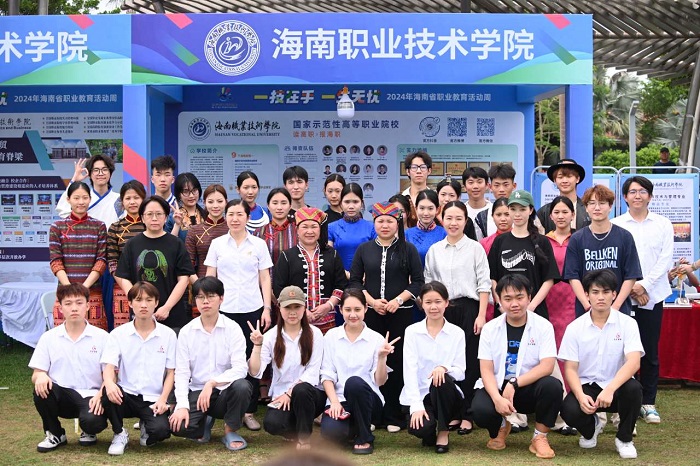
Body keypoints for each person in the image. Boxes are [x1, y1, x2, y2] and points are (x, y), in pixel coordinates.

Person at [348, 201, 424, 432]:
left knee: (396, 361)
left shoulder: (408, 249)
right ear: (374, 223)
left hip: (400, 314)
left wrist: (397, 301)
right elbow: (354, 281)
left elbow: (418, 282)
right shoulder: (364, 249)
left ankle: (393, 415)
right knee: (372, 361)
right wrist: (371, 302)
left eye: (389, 221)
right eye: (380, 221)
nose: (384, 225)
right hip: (372, 315)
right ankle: (373, 413)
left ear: (397, 223)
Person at [472, 275, 562, 459]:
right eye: (508, 298)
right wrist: (497, 398)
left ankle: (539, 437)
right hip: (498, 386)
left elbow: (547, 366)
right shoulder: (490, 329)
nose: (514, 304)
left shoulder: (543, 326)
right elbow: (486, 370)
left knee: (553, 386)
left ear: (529, 297)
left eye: (519, 297)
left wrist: (514, 383)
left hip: (527, 386)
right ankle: (501, 426)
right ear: (499, 300)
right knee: (480, 410)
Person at [559, 269, 644, 459]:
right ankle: (591, 429)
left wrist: (610, 389)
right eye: (595, 292)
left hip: (617, 386)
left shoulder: (628, 323)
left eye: (606, 292)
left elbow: (634, 362)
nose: (600, 297)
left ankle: (624, 439)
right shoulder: (575, 328)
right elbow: (570, 368)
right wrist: (580, 396)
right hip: (588, 386)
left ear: (614, 294)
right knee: (568, 410)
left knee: (634, 389)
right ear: (587, 295)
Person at [205, 199, 273, 430]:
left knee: (252, 358)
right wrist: (210, 305)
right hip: (224, 310)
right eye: (231, 214)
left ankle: (249, 411)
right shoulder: (217, 244)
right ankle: (219, 406)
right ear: (225, 217)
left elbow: (265, 278)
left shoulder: (259, 244)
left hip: (252, 309)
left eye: (239, 214)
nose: (235, 219)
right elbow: (211, 277)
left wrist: (266, 308)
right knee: (222, 357)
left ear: (247, 217)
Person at [424, 201, 491, 435]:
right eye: (449, 218)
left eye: (458, 218)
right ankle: (450, 412)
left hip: (470, 309)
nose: (453, 223)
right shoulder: (435, 250)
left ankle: (467, 414)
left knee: (470, 360)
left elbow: (484, 284)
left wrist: (481, 315)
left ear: (465, 221)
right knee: (446, 359)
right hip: (443, 309)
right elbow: (429, 282)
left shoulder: (475, 248)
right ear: (441, 220)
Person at [611, 176, 674, 424]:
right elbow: (616, 262)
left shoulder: (663, 224)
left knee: (649, 351)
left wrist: (643, 285)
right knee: (620, 352)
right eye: (633, 191)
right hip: (622, 298)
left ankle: (648, 403)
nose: (637, 195)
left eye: (642, 191)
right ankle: (621, 404)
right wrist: (631, 288)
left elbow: (665, 259)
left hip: (652, 296)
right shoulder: (616, 224)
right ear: (625, 197)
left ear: (650, 196)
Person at [169, 277, 253, 451]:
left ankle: (230, 431)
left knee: (242, 386)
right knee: (178, 427)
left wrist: (212, 383)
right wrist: (182, 406)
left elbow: (240, 368)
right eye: (200, 297)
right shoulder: (186, 332)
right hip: (197, 392)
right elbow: (182, 373)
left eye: (211, 296)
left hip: (224, 392)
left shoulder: (233, 328)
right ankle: (204, 422)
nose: (205, 301)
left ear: (221, 298)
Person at [29, 283, 109, 453]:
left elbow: (110, 376)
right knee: (40, 389)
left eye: (79, 303)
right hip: (61, 395)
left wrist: (101, 395)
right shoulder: (48, 338)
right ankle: (55, 433)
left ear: (88, 306)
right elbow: (36, 373)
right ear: (60, 307)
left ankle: (88, 430)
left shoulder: (102, 337)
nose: (74, 308)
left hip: (91, 396)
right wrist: (41, 375)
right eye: (68, 303)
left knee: (93, 422)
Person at [101, 282, 177, 454]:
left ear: (156, 303)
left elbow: (171, 372)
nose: (143, 305)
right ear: (129, 303)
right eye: (138, 300)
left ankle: (146, 424)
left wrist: (163, 400)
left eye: (149, 300)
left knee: (161, 432)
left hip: (153, 398)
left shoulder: (168, 335)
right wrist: (110, 383)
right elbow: (109, 366)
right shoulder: (118, 334)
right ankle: (119, 433)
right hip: (126, 395)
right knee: (108, 391)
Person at [320, 289, 398, 454]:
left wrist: (382, 358)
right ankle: (354, 428)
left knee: (354, 383)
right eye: (348, 310)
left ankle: (365, 437)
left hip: (369, 401)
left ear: (366, 309)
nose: (353, 315)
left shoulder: (376, 339)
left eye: (357, 309)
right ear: (340, 310)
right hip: (340, 400)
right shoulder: (331, 337)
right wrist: (334, 402)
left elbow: (380, 381)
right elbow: (327, 374)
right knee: (330, 433)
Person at [248, 286, 326, 449]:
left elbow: (313, 372)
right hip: (281, 395)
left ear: (304, 308)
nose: (292, 312)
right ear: (279, 308)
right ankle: (300, 425)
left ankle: (304, 439)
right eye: (287, 307)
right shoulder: (270, 336)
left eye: (297, 307)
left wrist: (290, 394)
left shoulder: (315, 334)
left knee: (301, 391)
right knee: (272, 424)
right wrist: (257, 345)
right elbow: (255, 371)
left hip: (310, 393)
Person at [401, 281, 466, 454]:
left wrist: (444, 368)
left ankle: (443, 432)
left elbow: (460, 372)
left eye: (438, 301)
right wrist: (416, 405)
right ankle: (430, 432)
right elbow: (409, 370)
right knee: (421, 428)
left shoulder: (457, 333)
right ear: (421, 303)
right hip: (421, 393)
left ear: (446, 302)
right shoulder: (412, 332)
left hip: (446, 394)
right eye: (428, 302)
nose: (433, 307)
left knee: (441, 379)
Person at [115, 195, 195, 331]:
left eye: (159, 214)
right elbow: (123, 276)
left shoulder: (176, 244)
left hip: (172, 314)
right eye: (149, 214)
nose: (154, 218)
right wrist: (137, 302)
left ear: (166, 217)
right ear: (142, 217)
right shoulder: (132, 244)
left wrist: (167, 307)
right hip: (141, 315)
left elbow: (183, 279)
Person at [563, 185, 643, 317]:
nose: (597, 208)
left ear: (610, 206)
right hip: (586, 311)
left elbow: (631, 275)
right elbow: (573, 276)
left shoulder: (624, 237)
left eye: (602, 203)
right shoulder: (577, 239)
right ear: (586, 207)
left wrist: (616, 307)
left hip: (619, 310)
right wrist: (587, 305)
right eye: (592, 203)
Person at [488, 190, 560, 320]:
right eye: (513, 209)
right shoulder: (500, 241)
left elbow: (549, 278)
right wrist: (501, 304)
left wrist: (531, 306)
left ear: (530, 210)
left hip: (535, 312)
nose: (517, 214)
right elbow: (492, 277)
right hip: (505, 312)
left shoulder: (542, 241)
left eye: (522, 209)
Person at [274, 208, 347, 334]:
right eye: (305, 227)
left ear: (320, 229)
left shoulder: (332, 254)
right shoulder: (286, 256)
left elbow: (341, 284)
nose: (310, 231)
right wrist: (300, 309)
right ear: (297, 230)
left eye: (314, 227)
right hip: (295, 317)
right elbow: (279, 288)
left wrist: (329, 305)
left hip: (327, 317)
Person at [49, 181, 108, 329]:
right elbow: (56, 262)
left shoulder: (99, 226)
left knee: (95, 337)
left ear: (90, 199)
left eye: (85, 197)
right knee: (63, 337)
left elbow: (101, 261)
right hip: (65, 293)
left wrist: (84, 289)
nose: (81, 202)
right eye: (76, 198)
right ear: (68, 200)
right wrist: (70, 289)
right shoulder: (57, 227)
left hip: (92, 292)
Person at [107, 180, 147, 328]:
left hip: (150, 285)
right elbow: (112, 262)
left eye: (136, 197)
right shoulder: (115, 228)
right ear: (122, 202)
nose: (132, 202)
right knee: (123, 330)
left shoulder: (151, 225)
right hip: (122, 288)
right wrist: (128, 289)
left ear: (143, 199)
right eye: (128, 198)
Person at [544, 196, 578, 351]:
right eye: (556, 212)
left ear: (573, 214)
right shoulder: (543, 241)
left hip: (574, 298)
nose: (561, 216)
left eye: (565, 212)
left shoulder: (580, 239)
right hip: (548, 298)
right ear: (551, 216)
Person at [56, 154, 122, 227]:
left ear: (110, 174)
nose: (100, 173)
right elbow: (63, 212)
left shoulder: (119, 199)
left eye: (104, 170)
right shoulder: (84, 198)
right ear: (89, 174)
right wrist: (74, 180)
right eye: (96, 170)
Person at [327, 183, 375, 272]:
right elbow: (329, 258)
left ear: (362, 203)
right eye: (347, 202)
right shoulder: (331, 228)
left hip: (366, 277)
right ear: (341, 203)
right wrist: (345, 274)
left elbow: (376, 257)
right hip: (339, 276)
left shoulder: (372, 227)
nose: (351, 206)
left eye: (355, 202)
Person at [185, 184, 228, 281]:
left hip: (230, 285)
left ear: (226, 202)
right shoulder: (194, 231)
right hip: (202, 283)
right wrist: (199, 286)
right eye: (210, 202)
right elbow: (188, 265)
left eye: (220, 201)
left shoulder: (232, 229)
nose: (215, 206)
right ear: (204, 203)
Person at [537, 159, 590, 234]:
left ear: (577, 179)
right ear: (554, 180)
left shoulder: (588, 209)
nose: (565, 181)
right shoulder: (544, 212)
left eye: (569, 176)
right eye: (560, 177)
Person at [405, 190, 447, 266]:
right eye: (422, 208)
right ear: (416, 208)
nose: (426, 213)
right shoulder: (407, 234)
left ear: (437, 209)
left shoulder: (444, 234)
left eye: (430, 208)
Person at [474, 163, 515, 240]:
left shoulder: (523, 214)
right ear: (490, 187)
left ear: (514, 186)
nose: (501, 189)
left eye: (506, 185)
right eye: (497, 185)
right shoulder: (482, 217)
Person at [165, 172, 205, 243]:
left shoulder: (206, 215)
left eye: (194, 190)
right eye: (186, 192)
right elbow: (168, 244)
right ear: (179, 194)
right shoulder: (172, 218)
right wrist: (177, 225)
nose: (191, 196)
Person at [463, 167, 492, 241]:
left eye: (479, 182)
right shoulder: (461, 212)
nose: (475, 186)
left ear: (487, 185)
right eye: (471, 182)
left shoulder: (494, 211)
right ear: (464, 187)